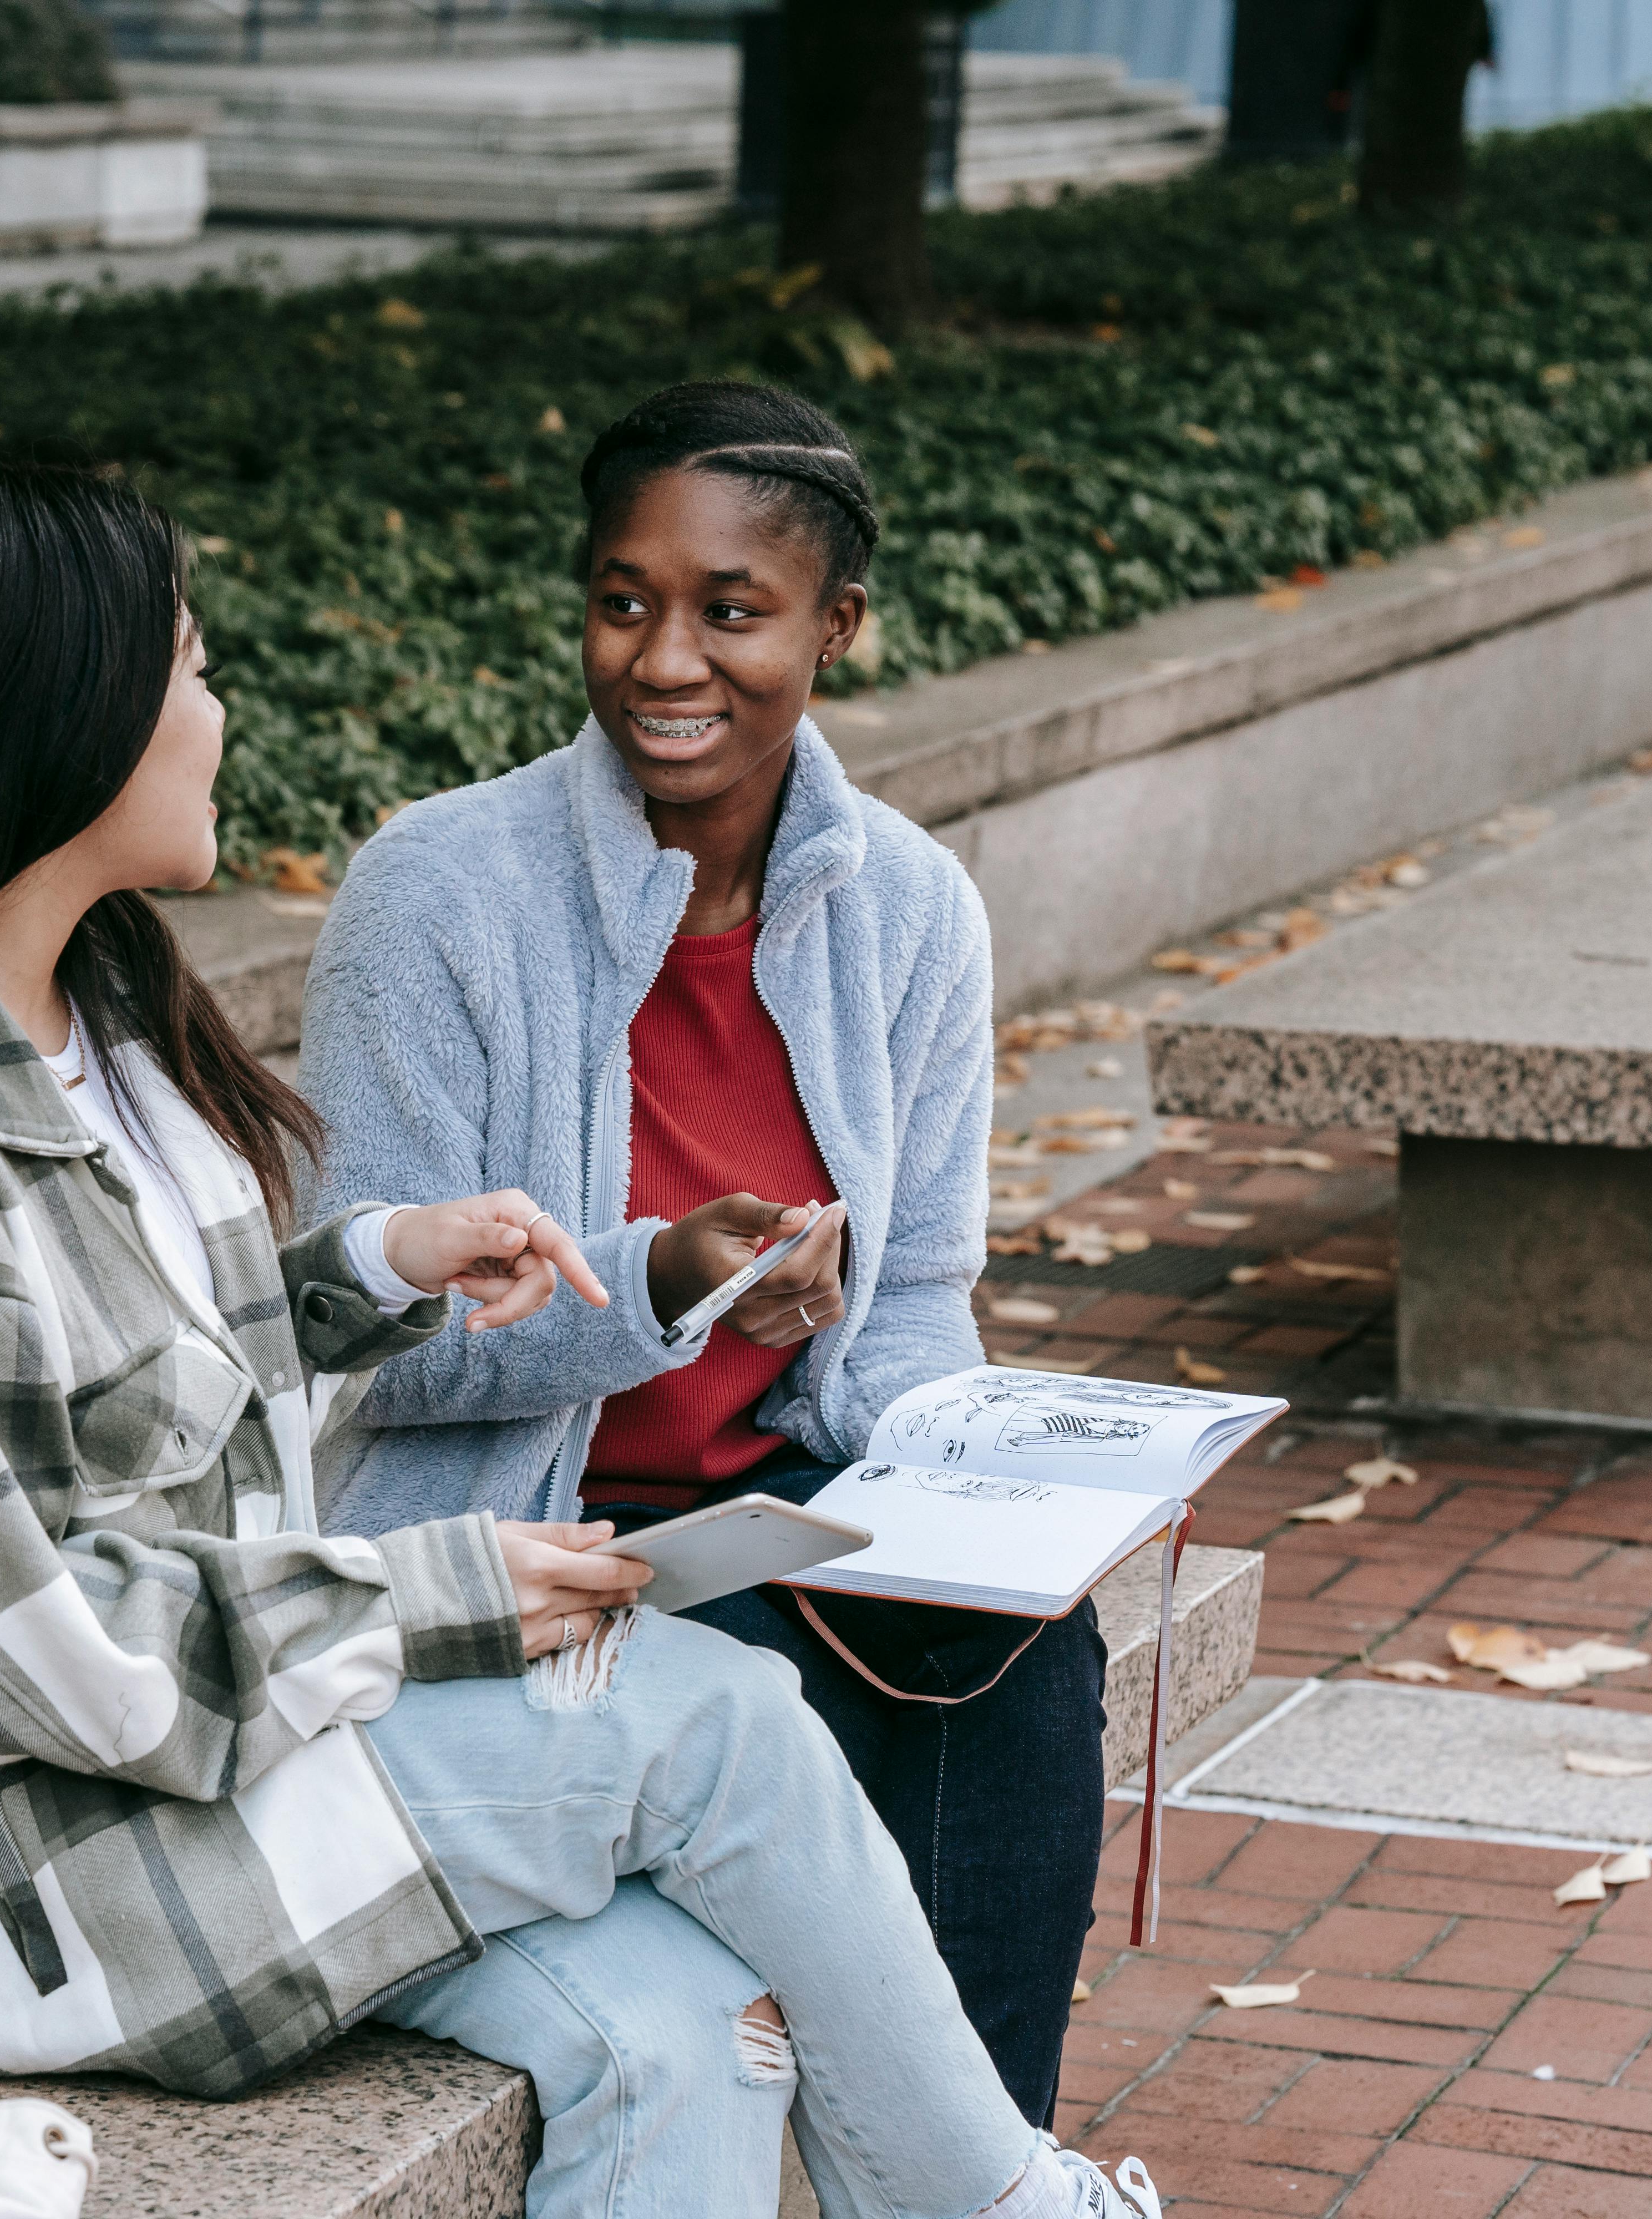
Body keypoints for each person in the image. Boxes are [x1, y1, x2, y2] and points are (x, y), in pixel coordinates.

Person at [0, 464, 1160, 2219]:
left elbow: (133, 1383)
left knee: (694, 2026)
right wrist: (441, 1599)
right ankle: (1007, 2205)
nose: (215, 707)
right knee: (719, 1726)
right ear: (54, 718)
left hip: (190, 1756)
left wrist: (370, 1271)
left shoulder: (96, 1021)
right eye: (186, 666)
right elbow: (44, 1649)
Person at [300, 381, 1108, 2125]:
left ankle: (987, 2154)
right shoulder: (438, 894)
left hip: (786, 1512)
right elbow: (367, 1334)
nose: (665, 660)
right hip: (524, 1538)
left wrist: (982, 1475)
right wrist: (659, 1279)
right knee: (795, 1705)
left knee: (1026, 1649)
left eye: (730, 610)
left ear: (837, 626)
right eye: (622, 600)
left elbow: (909, 1298)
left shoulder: (907, 907)